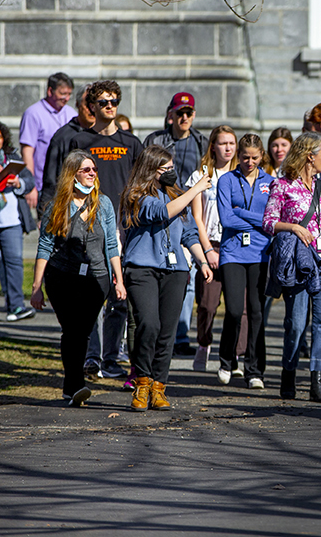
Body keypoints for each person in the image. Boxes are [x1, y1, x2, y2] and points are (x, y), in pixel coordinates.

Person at [120, 145, 213, 411]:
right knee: (148, 324)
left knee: (167, 332)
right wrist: (195, 190)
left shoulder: (176, 194)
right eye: (165, 169)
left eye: (172, 168)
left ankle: (159, 387)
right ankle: (142, 383)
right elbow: (160, 213)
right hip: (142, 268)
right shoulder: (135, 194)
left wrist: (202, 261)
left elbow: (189, 233)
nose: (171, 173)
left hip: (175, 270)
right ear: (151, 170)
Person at [30, 150, 126, 406]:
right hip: (62, 277)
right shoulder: (56, 206)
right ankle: (75, 385)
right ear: (72, 174)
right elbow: (45, 247)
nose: (92, 173)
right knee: (71, 330)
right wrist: (37, 286)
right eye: (86, 170)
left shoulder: (103, 203)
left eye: (93, 169)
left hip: (97, 277)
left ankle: (71, 386)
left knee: (81, 331)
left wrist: (118, 279)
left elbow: (111, 245)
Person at [263, 132, 321, 403]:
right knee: (296, 324)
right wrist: (294, 227)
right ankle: (288, 374)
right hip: (300, 262)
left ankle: (317, 382)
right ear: (310, 156)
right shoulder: (283, 185)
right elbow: (268, 222)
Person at [70, 81, 144, 380]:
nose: (109, 106)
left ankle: (112, 358)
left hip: (124, 228)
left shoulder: (131, 143)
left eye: (113, 101)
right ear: (92, 106)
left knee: (118, 297)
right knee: (90, 298)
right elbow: (68, 184)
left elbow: (142, 187)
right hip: (87, 227)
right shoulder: (80, 141)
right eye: (102, 102)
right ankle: (91, 357)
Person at [145, 92, 210, 357]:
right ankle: (160, 333)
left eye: (189, 113)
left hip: (188, 213)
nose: (184, 117)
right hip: (161, 207)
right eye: (179, 112)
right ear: (170, 113)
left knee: (186, 277)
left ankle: (180, 334)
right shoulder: (156, 140)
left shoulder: (201, 142)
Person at [215, 133, 273, 389]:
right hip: (233, 252)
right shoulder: (227, 180)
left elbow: (270, 220)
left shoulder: (270, 182)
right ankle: (227, 360)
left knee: (257, 311)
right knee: (235, 310)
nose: (249, 162)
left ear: (262, 157)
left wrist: (244, 213)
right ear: (238, 156)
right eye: (245, 157)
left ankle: (255, 369)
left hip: (261, 252)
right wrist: (258, 221)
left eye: (255, 158)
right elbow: (226, 219)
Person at [186, 125, 241, 372]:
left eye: (232, 143)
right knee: (207, 303)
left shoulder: (243, 174)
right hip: (210, 244)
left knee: (238, 304)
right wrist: (207, 250)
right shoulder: (201, 176)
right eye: (223, 143)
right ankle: (204, 343)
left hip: (237, 246)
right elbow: (197, 217)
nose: (228, 148)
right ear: (213, 146)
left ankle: (236, 353)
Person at [0, 119, 36, 322]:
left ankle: (16, 307)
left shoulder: (12, 157)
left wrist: (17, 181)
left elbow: (29, 180)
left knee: (14, 264)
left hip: (11, 221)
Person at [19, 72, 76, 210]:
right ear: (50, 91)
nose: (66, 98)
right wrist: (30, 184)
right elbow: (27, 151)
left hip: (68, 186)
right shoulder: (33, 113)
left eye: (69, 94)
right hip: (44, 186)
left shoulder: (72, 113)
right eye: (63, 93)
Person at [38, 84, 95, 216]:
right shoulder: (62, 137)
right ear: (78, 104)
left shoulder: (107, 135)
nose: (92, 110)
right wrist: (44, 213)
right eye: (88, 105)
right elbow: (51, 179)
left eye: (95, 105)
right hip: (70, 209)